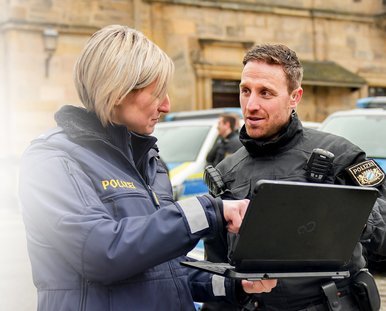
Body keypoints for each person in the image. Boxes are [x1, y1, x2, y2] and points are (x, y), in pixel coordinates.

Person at [18, 25, 278, 311]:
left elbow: (166, 269)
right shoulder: (54, 160)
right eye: (157, 93)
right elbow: (103, 254)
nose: (166, 105)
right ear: (117, 90)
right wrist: (209, 211)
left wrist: (234, 283)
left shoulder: (149, 160)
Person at [202, 43, 386, 311]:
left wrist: (347, 216)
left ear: (294, 97)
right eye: (245, 91)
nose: (251, 105)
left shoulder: (342, 156)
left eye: (265, 93)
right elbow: (217, 273)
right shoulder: (226, 173)